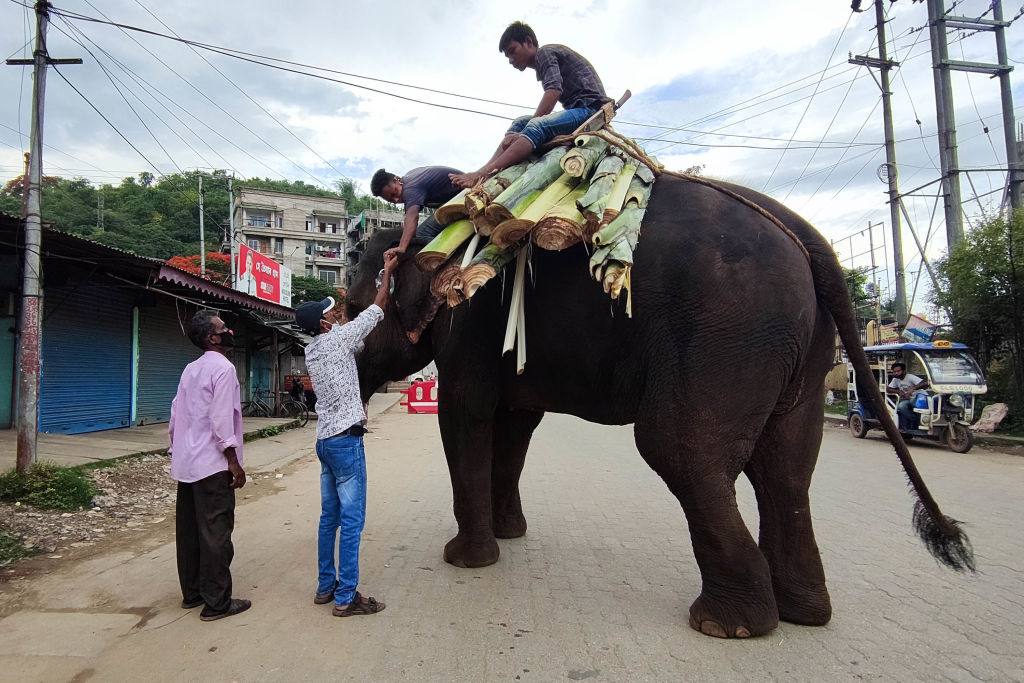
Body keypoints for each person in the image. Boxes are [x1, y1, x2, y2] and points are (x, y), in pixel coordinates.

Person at [294, 251, 398, 617]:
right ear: (323, 325)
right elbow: (378, 308)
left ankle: (326, 587)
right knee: (352, 522)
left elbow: (353, 340)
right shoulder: (337, 341)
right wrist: (386, 276)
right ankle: (346, 597)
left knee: (329, 519)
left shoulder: (315, 349)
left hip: (324, 440)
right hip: (346, 441)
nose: (334, 313)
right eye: (329, 313)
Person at [449, 21, 610, 190]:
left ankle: (483, 174)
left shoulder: (544, 53)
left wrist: (525, 132)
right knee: (521, 122)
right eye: (508, 57)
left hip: (590, 110)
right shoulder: (543, 61)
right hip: (579, 109)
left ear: (528, 42)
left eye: (513, 51)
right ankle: (486, 171)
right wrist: (523, 130)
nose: (511, 60)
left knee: (534, 125)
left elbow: (554, 90)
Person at [168, 310, 251, 622]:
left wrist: (176, 450)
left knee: (189, 532)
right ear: (212, 338)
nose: (228, 331)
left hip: (187, 464)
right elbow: (220, 418)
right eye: (223, 328)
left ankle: (192, 593)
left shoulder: (190, 369)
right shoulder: (224, 369)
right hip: (213, 464)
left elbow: (176, 415)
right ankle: (217, 603)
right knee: (216, 533)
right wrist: (233, 462)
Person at [371, 166, 463, 261]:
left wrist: (401, 247)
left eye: (394, 193)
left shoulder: (410, 188)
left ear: (397, 179)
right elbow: (408, 222)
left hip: (465, 197)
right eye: (391, 200)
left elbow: (412, 217)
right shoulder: (409, 179)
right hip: (456, 198)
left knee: (423, 232)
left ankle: (455, 259)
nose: (396, 200)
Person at [886, 362, 929, 431]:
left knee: (913, 402)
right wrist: (899, 391)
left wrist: (913, 388)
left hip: (918, 397)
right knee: (901, 406)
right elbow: (888, 389)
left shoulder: (910, 377)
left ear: (904, 371)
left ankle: (922, 422)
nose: (896, 373)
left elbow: (924, 383)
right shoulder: (895, 379)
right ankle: (915, 421)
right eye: (894, 372)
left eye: (898, 371)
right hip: (907, 399)